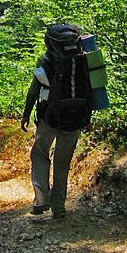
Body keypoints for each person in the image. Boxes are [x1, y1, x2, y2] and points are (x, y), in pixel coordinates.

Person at [21, 24, 92, 219]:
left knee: (40, 153)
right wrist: (88, 117)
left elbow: (34, 90)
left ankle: (41, 199)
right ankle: (58, 208)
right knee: (63, 163)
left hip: (49, 117)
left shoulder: (47, 60)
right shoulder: (83, 60)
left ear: (48, 43)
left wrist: (26, 114)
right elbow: (91, 88)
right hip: (76, 117)